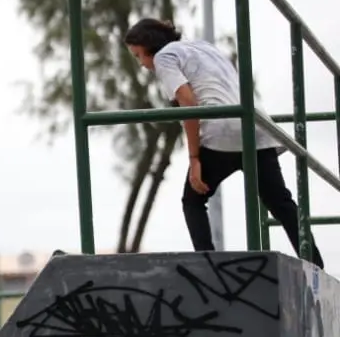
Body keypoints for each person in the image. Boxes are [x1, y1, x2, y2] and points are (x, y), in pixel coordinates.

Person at [124, 18, 324, 268]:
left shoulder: (164, 57)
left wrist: (194, 158)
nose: (142, 64)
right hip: (257, 127)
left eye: (138, 56)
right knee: (281, 203)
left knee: (193, 200)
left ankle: (207, 269)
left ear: (149, 46)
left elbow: (188, 103)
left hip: (222, 131)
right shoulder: (204, 47)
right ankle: (316, 267)